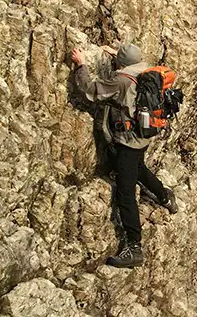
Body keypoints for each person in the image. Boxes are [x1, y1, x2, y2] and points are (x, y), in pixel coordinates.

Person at [71, 43, 178, 268]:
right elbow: (131, 61)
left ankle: (134, 246)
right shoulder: (147, 71)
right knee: (138, 168)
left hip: (128, 142)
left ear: (123, 63)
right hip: (144, 135)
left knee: (126, 192)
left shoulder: (121, 81)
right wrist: (117, 55)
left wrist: (81, 65)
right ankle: (165, 196)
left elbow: (90, 91)